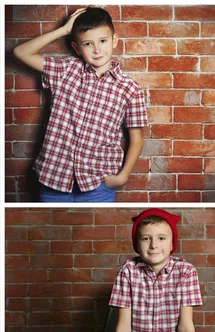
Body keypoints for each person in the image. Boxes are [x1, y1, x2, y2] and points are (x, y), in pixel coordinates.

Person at [13, 7, 148, 202]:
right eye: (88, 43)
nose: (97, 49)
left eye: (103, 41)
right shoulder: (66, 70)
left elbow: (136, 139)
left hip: (98, 184)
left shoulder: (130, 89)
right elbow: (20, 52)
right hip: (54, 180)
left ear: (114, 41)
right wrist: (64, 30)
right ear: (77, 48)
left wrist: (122, 176)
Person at [97, 208, 214, 332]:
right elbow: (123, 327)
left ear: (171, 244)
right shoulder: (127, 272)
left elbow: (186, 326)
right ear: (137, 243)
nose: (153, 245)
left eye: (161, 238)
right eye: (146, 239)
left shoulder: (186, 272)